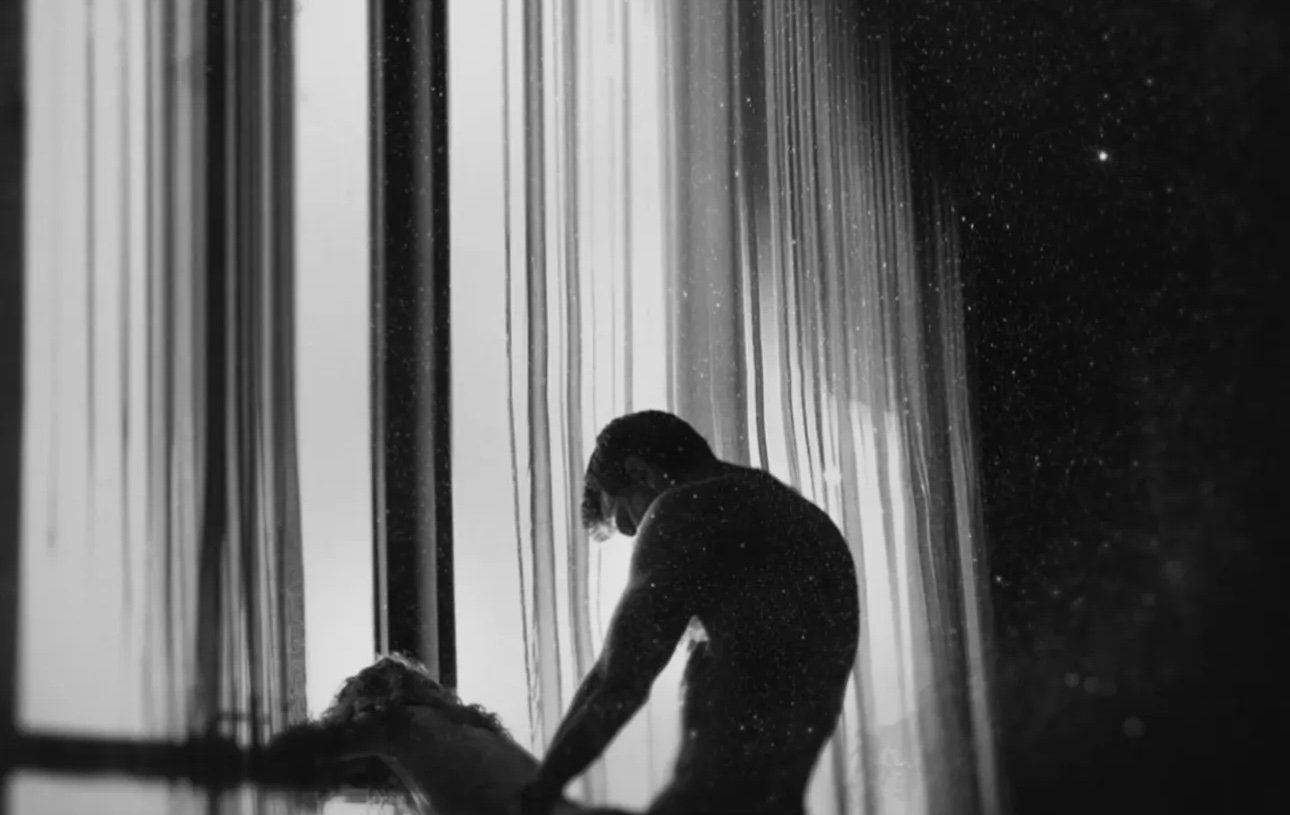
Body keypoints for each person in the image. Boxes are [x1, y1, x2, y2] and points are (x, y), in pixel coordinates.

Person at [521, 411, 860, 815]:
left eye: (627, 516)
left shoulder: (683, 509)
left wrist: (540, 790)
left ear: (640, 472)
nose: (637, 533)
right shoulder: (790, 510)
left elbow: (618, 682)